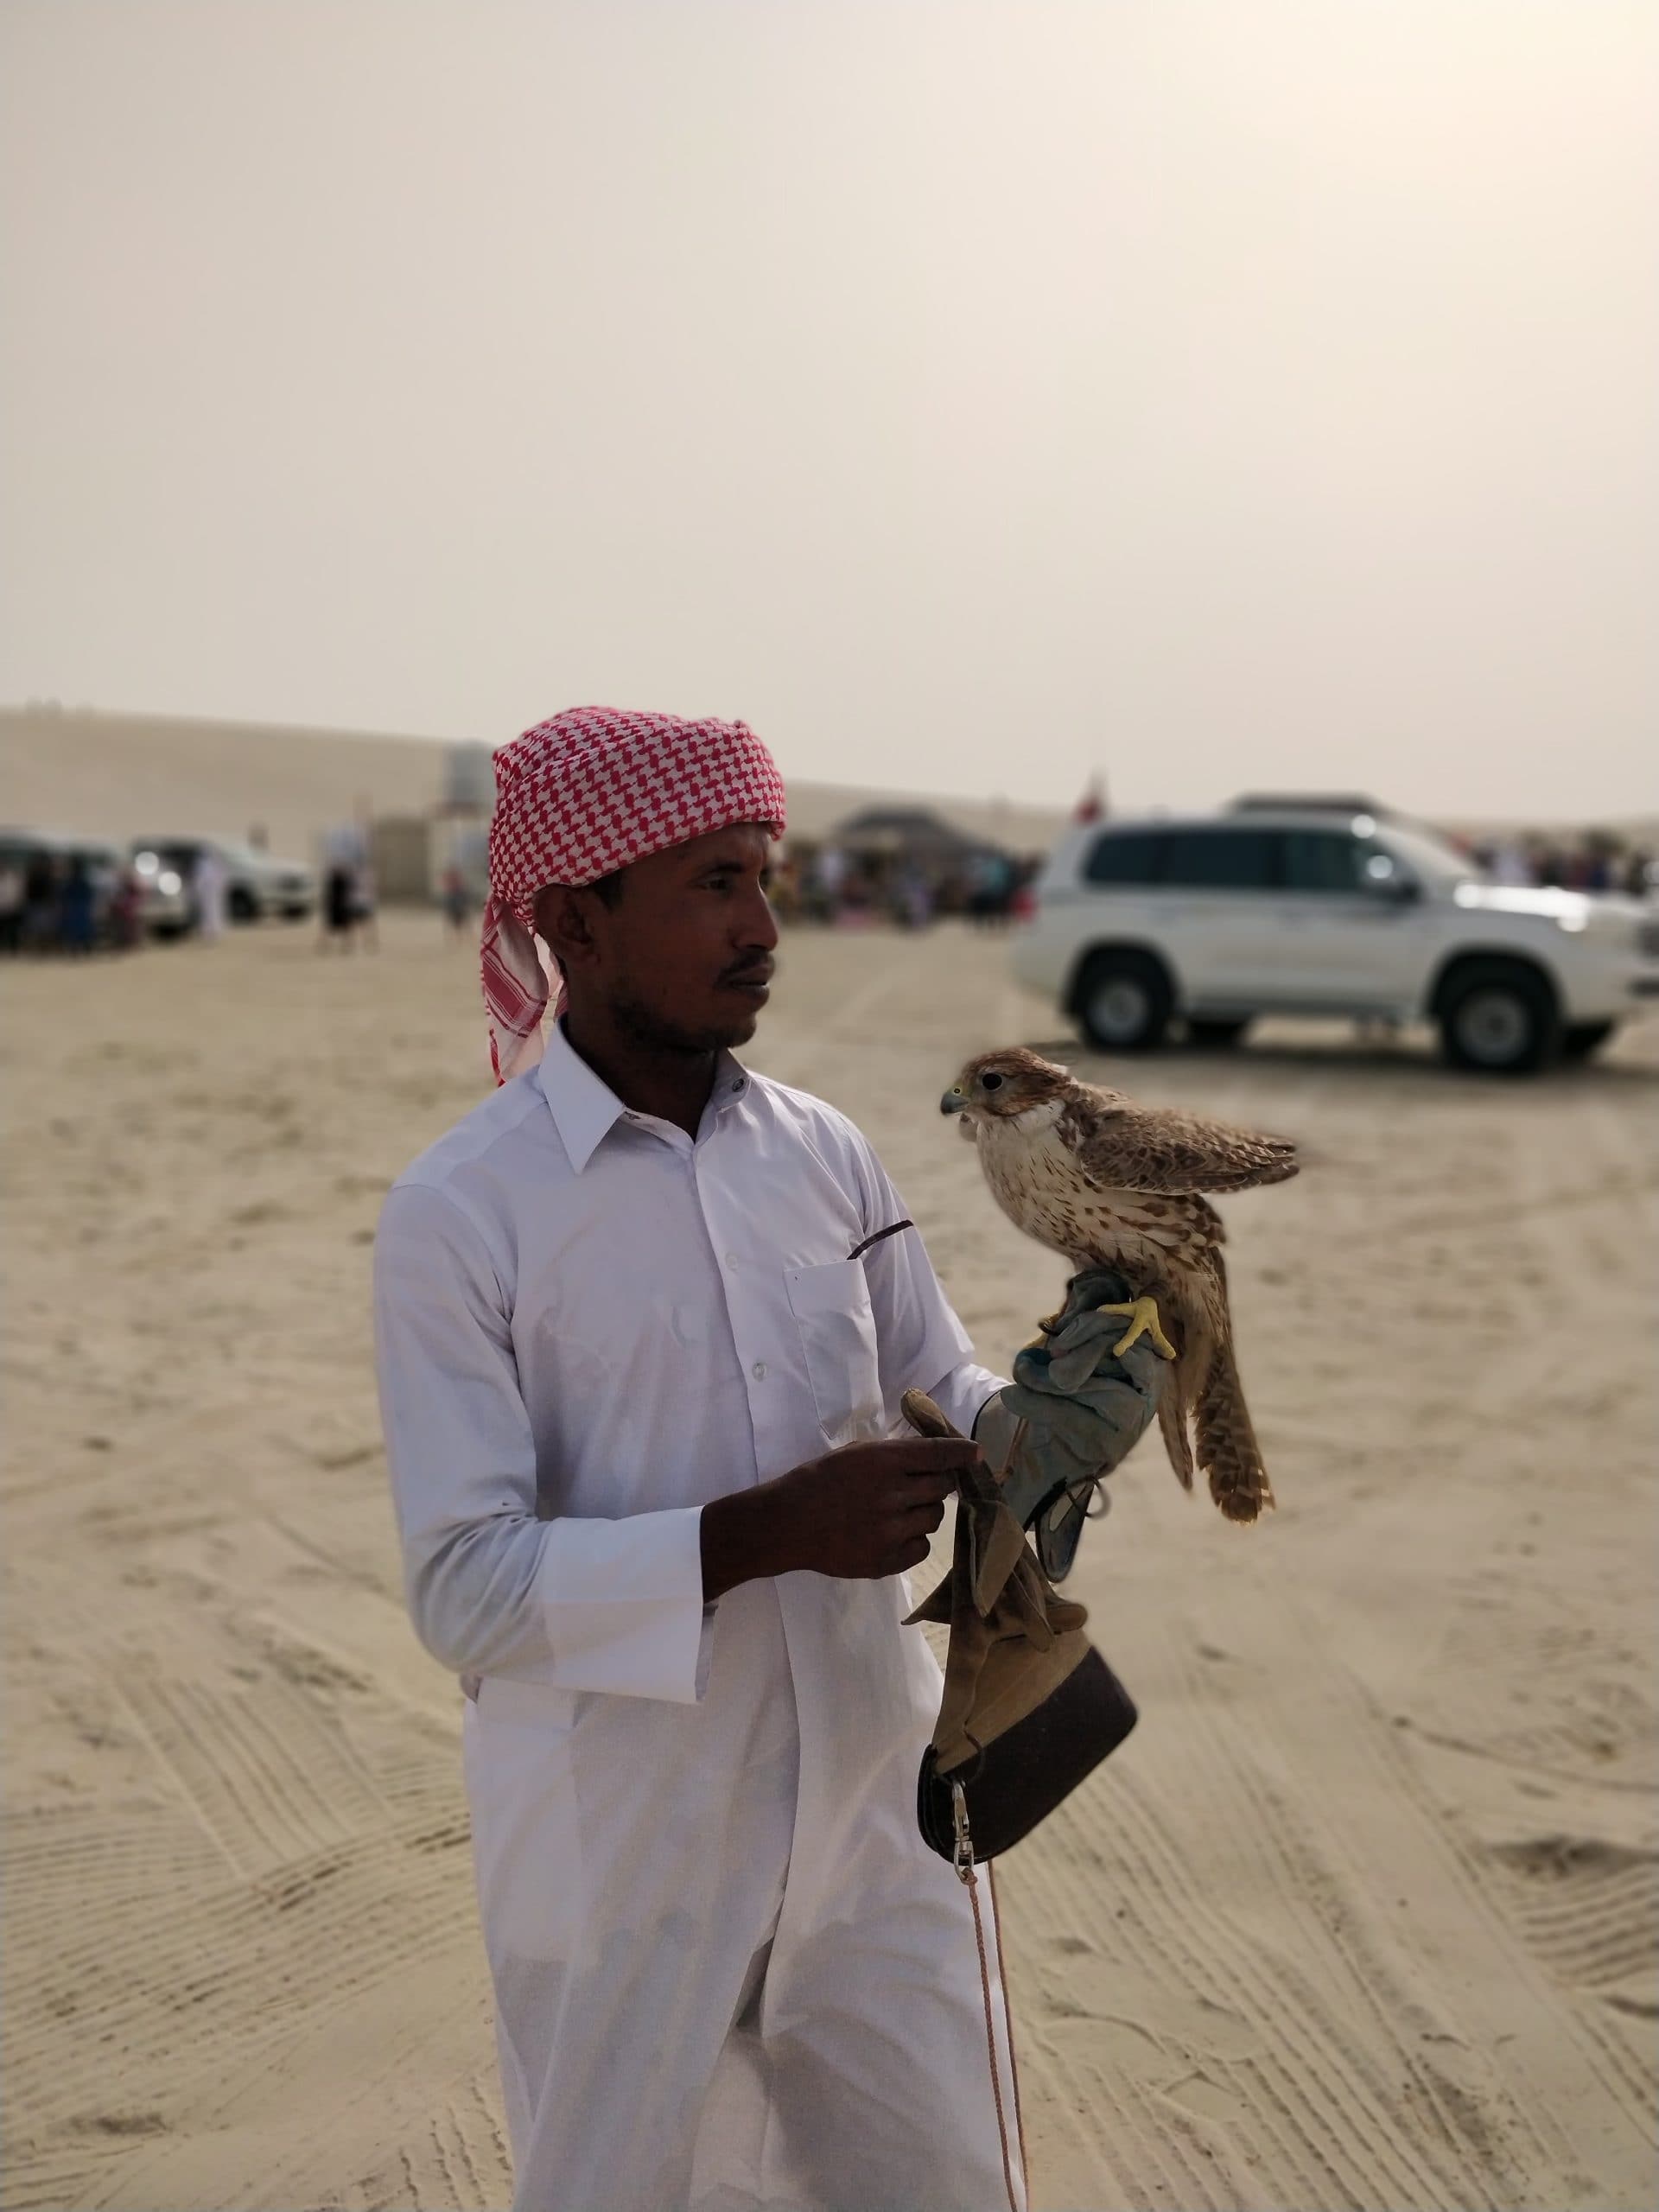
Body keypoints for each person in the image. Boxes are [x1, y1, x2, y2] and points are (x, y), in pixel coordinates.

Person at [374, 708, 1031, 2212]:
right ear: (573, 918)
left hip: (878, 1820)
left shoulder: (826, 1152)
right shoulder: (464, 1214)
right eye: (714, 884)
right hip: (621, 1852)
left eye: (765, 875)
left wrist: (1045, 1426)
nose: (763, 926)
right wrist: (769, 1531)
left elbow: (942, 1379)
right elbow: (463, 1595)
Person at [193, 845, 229, 940]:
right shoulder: (202, 864)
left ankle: (215, 931)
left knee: (215, 911)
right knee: (206, 912)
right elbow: (199, 879)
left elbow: (221, 877)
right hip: (206, 892)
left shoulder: (214, 863)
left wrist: (220, 887)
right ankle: (207, 932)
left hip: (213, 892)